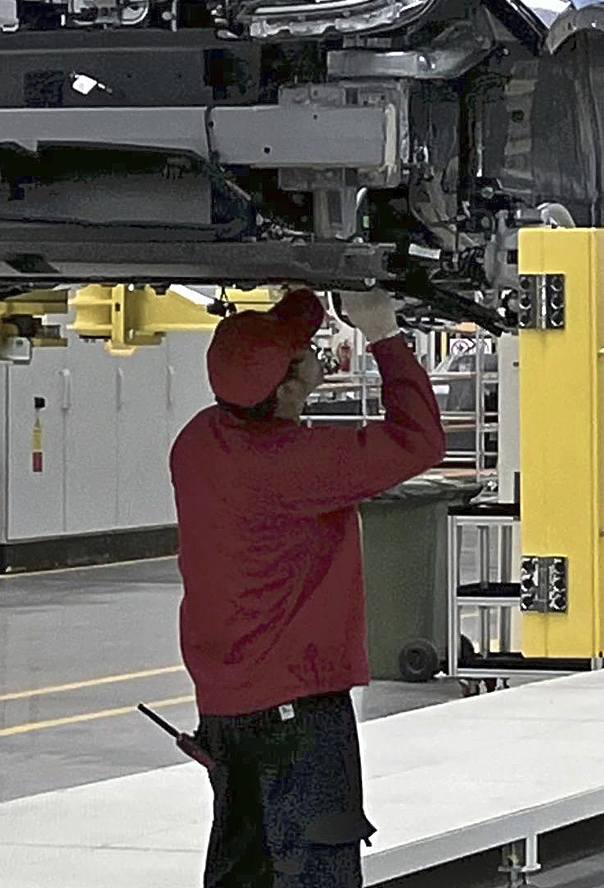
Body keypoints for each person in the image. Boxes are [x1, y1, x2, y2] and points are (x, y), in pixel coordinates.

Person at [172, 287, 446, 888]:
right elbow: (421, 440)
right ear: (288, 388)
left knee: (241, 871)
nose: (317, 350)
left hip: (225, 712)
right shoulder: (293, 465)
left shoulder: (196, 442)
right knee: (317, 872)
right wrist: (382, 335)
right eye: (305, 350)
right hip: (296, 721)